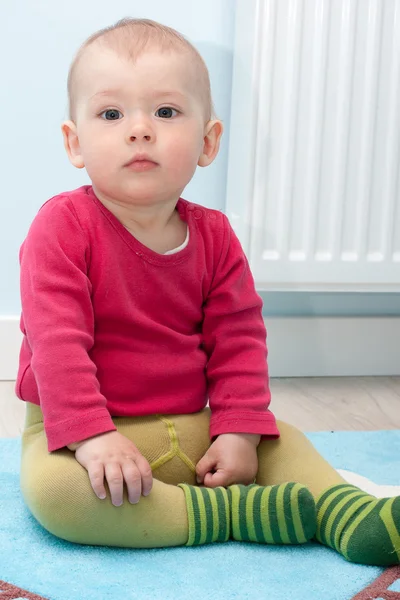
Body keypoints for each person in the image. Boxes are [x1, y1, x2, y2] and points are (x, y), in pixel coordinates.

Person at [16, 17, 399, 566]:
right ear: (75, 144)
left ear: (208, 141)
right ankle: (232, 515)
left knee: (279, 438)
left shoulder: (215, 236)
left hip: (189, 427)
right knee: (59, 496)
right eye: (111, 113)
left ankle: (348, 512)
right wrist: (92, 437)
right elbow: (57, 345)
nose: (139, 129)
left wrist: (239, 431)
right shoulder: (62, 227)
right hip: (79, 432)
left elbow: (239, 338)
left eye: (166, 112)